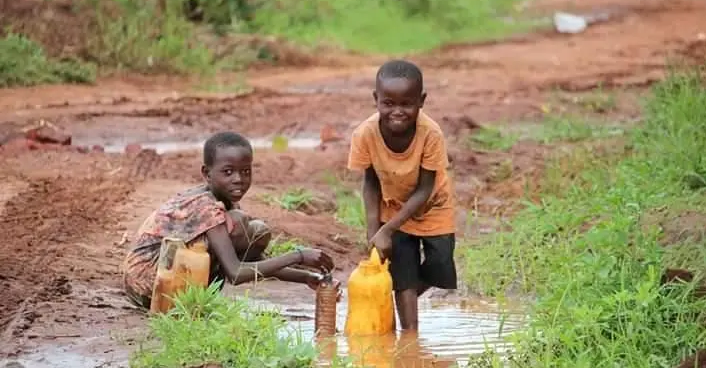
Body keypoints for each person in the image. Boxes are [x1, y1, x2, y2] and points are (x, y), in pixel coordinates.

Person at [122, 131, 335, 310]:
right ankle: (189, 303)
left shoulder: (221, 201)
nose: (238, 179)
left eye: (245, 172)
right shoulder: (206, 207)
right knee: (245, 226)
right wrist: (297, 255)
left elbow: (252, 262)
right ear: (207, 173)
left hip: (162, 278)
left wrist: (305, 277)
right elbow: (235, 271)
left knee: (253, 230)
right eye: (228, 172)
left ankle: (194, 298)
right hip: (151, 285)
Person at [347, 59, 457, 331]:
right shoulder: (365, 134)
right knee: (404, 271)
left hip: (432, 206)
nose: (397, 111)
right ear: (376, 100)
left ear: (421, 101)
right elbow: (370, 183)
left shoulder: (430, 134)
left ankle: (388, 293)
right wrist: (374, 231)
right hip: (393, 207)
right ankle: (409, 336)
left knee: (440, 265)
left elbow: (425, 188)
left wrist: (387, 230)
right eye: (388, 103)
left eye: (406, 104)